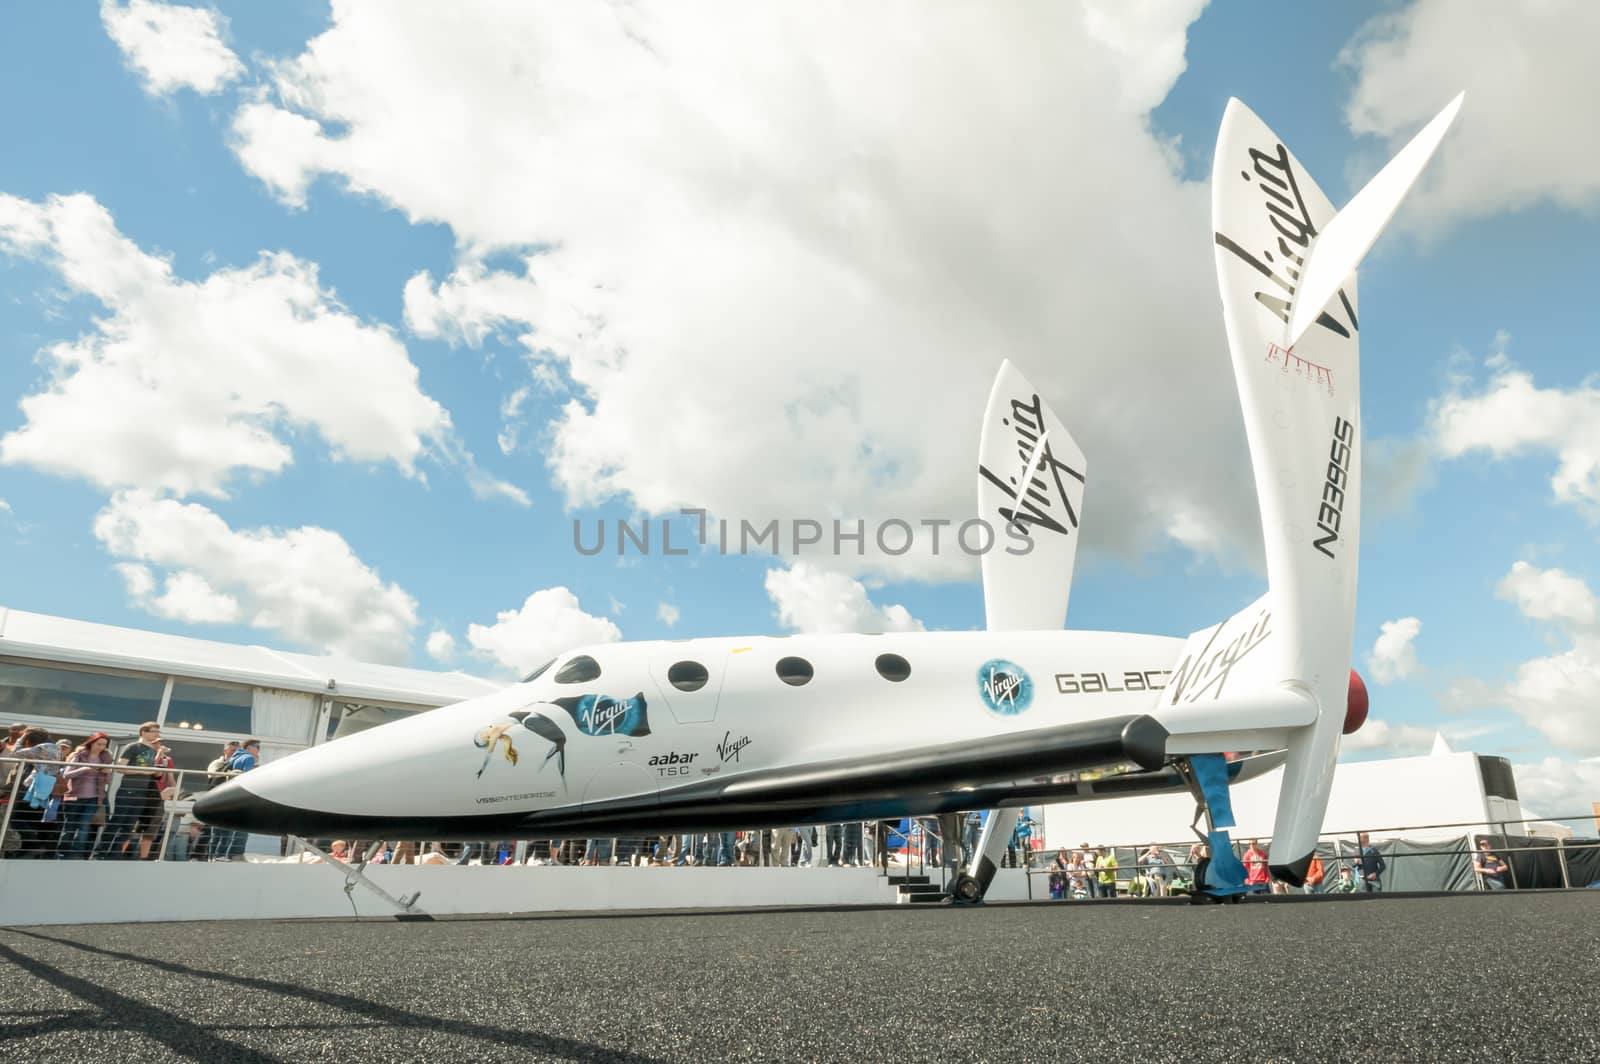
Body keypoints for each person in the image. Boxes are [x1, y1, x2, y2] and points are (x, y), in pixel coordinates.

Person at [95, 723, 166, 860]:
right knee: (117, 821)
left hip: (142, 793)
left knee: (129, 826)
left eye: (158, 732)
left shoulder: (152, 750)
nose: (157, 734)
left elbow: (156, 774)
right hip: (127, 790)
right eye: (154, 731)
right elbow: (120, 767)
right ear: (143, 732)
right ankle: (100, 852)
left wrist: (159, 761)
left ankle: (115, 854)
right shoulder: (133, 747)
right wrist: (142, 771)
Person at [3, 727, 60, 857]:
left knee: (16, 817)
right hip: (46, 787)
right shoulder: (55, 747)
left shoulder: (42, 748)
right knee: (31, 817)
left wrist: (20, 739)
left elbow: (14, 754)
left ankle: (34, 844)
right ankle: (29, 848)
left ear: (30, 739)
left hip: (32, 787)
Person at [59, 733, 114, 859]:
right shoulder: (79, 755)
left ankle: (77, 854)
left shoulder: (105, 758)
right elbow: (66, 775)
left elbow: (107, 782)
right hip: (74, 797)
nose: (101, 747)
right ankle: (62, 852)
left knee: (84, 826)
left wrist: (107, 773)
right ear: (91, 743)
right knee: (70, 826)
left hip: (94, 798)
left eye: (104, 745)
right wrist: (84, 768)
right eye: (98, 744)